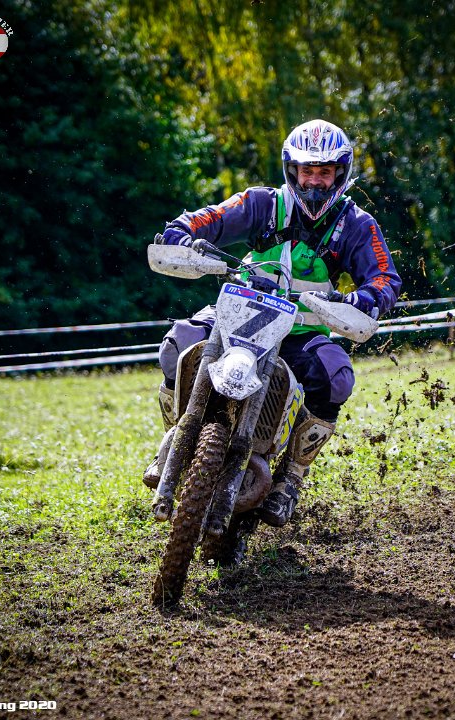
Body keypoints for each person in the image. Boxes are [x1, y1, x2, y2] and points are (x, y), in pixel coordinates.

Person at [143, 119, 402, 527]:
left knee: (335, 376)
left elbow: (385, 277)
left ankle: (292, 477)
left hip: (302, 329)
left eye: (324, 172)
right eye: (307, 170)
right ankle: (174, 438)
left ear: (340, 173)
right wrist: (181, 230)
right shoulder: (263, 204)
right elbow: (211, 218)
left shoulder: (355, 224)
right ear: (291, 170)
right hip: (238, 314)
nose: (314, 182)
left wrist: (363, 298)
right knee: (178, 344)